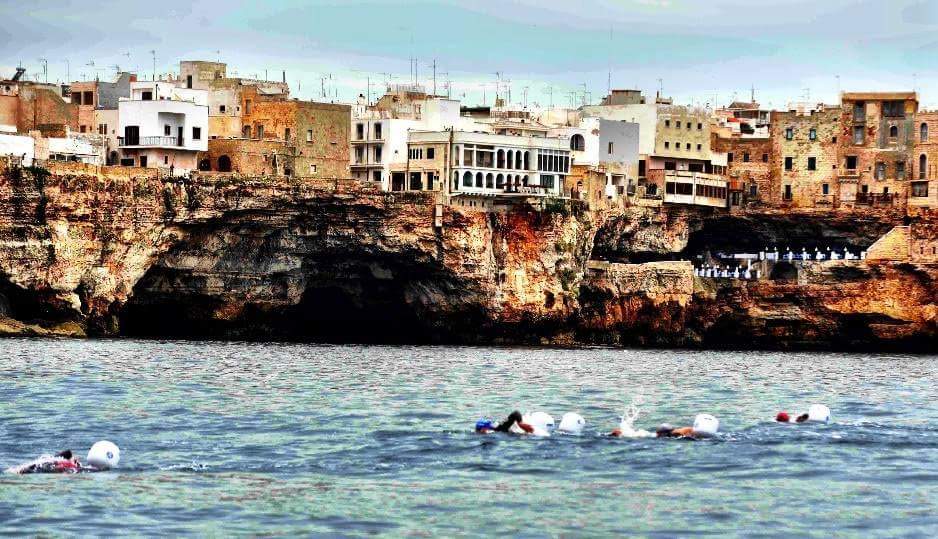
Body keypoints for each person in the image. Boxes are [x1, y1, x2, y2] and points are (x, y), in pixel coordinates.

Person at [6, 450, 82, 475]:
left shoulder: (54, 459)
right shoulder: (66, 463)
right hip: (44, 467)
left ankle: (19, 470)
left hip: (39, 465)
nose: (78, 459)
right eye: (75, 458)